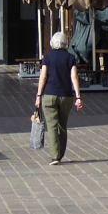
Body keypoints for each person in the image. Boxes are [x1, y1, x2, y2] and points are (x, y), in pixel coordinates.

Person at [34, 31, 84, 164]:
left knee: (52, 127)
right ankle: (60, 155)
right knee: (62, 126)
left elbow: (43, 77)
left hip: (49, 95)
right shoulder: (70, 58)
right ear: (65, 43)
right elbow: (74, 77)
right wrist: (78, 97)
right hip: (66, 97)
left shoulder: (48, 57)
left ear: (52, 43)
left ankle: (55, 156)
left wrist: (38, 95)